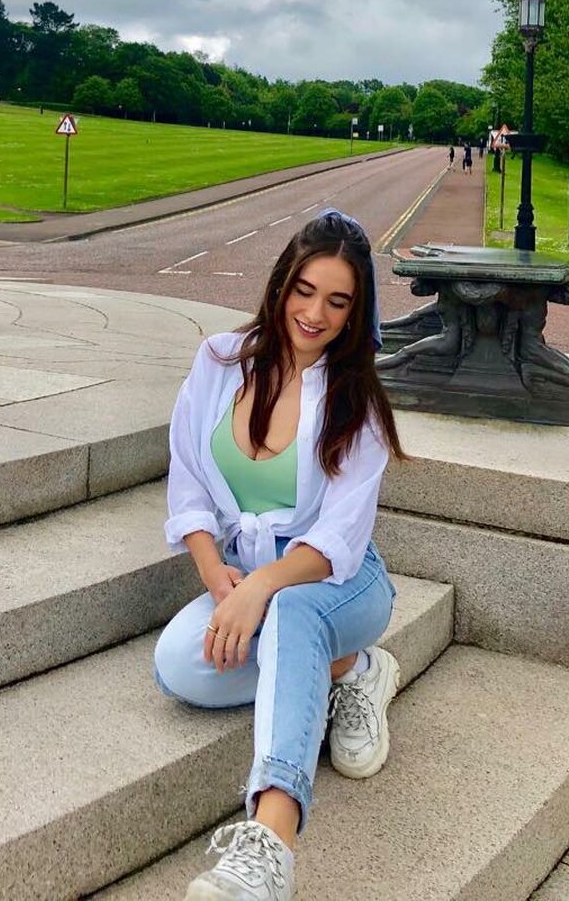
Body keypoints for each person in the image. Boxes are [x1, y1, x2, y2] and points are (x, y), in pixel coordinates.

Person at [154, 209, 406, 901]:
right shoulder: (220, 362)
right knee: (179, 665)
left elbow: (338, 540)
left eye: (337, 301)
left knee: (293, 613)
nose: (315, 314)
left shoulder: (358, 403)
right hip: (249, 578)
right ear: (281, 283)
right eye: (305, 290)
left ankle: (270, 841)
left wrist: (261, 585)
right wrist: (216, 574)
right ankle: (351, 671)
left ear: (356, 312)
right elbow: (188, 482)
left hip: (339, 580)